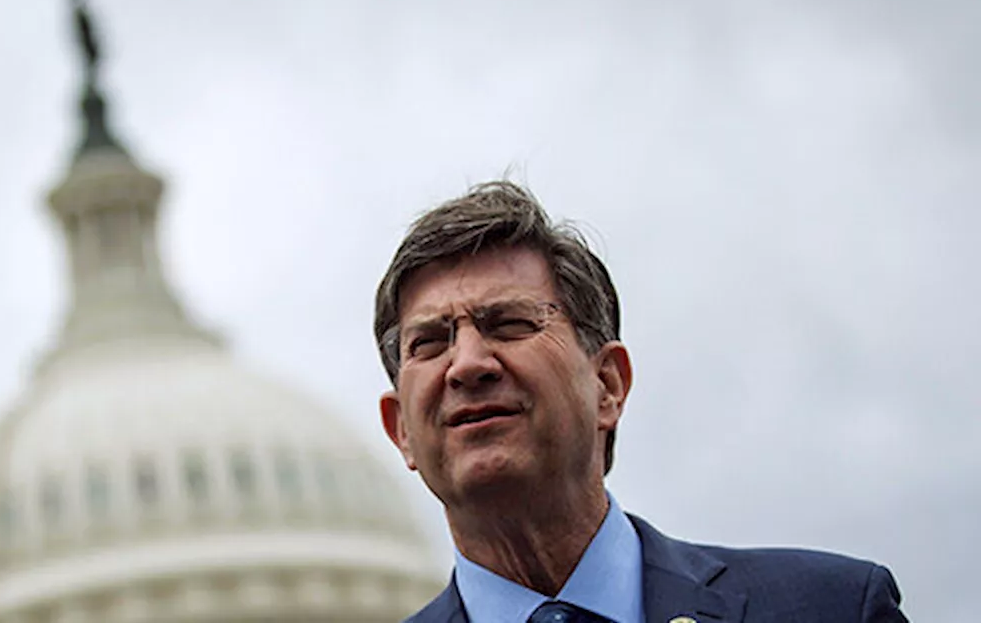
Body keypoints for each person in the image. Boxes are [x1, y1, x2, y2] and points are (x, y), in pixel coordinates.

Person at [373, 181, 907, 622]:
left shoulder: (834, 609)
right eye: (431, 343)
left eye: (508, 324)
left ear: (607, 385)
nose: (467, 364)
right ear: (401, 431)